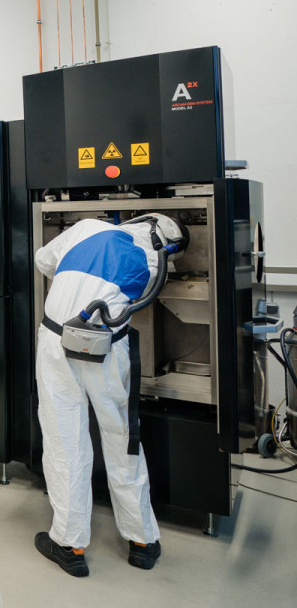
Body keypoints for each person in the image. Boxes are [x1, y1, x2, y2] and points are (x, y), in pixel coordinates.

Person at [33, 212, 189, 576]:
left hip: (57, 342)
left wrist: (73, 280)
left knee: (64, 440)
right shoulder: (155, 264)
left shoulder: (87, 227)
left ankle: (69, 544)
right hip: (107, 350)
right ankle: (142, 542)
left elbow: (44, 260)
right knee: (122, 439)